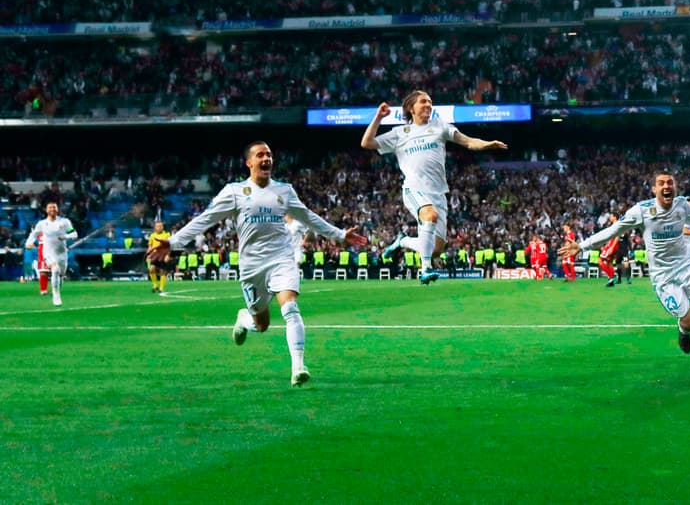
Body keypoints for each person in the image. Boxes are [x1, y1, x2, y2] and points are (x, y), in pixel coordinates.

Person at [147, 141, 368, 387]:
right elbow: (206, 219)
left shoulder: (284, 191)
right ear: (249, 162)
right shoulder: (234, 192)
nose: (266, 159)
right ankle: (244, 319)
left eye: (270, 155)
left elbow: (308, 216)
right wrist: (174, 241)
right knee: (261, 325)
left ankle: (298, 367)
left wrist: (339, 235)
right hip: (252, 266)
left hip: (282, 259)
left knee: (291, 308)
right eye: (260, 155)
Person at [560, 171, 690, 366]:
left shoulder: (681, 205)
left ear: (675, 187)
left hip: (687, 265)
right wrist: (582, 245)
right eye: (661, 183)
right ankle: (683, 330)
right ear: (654, 189)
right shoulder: (641, 211)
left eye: (670, 182)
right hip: (664, 277)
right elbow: (614, 230)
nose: (666, 186)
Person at [360, 91, 508, 285]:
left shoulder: (439, 127)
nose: (428, 105)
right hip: (414, 189)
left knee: (436, 248)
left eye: (430, 102)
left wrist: (488, 144)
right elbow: (367, 143)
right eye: (423, 102)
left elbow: (468, 141)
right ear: (411, 108)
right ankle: (426, 269)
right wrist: (378, 117)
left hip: (438, 194)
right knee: (429, 216)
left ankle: (402, 241)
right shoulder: (400, 133)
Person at [24, 202, 78, 307]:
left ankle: (57, 286)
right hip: (48, 252)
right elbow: (34, 234)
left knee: (60, 274)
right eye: (50, 207)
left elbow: (74, 234)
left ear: (57, 209)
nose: (52, 209)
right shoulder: (42, 224)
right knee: (55, 270)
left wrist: (65, 237)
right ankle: (56, 295)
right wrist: (28, 243)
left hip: (62, 253)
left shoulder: (64, 222)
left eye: (54, 207)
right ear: (46, 210)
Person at [147, 220, 171, 294]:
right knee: (151, 269)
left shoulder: (167, 235)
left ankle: (161, 288)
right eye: (158, 226)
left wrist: (168, 255)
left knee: (162, 271)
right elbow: (150, 246)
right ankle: (155, 285)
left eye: (161, 226)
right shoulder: (152, 236)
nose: (160, 227)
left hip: (163, 255)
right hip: (155, 255)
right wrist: (148, 255)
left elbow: (170, 246)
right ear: (155, 227)